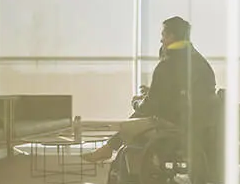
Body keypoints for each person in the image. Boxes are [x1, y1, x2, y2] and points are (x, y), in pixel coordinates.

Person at [83, 17, 216, 163]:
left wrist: (137, 103)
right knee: (139, 117)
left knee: (129, 127)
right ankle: (108, 149)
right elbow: (181, 91)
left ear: (171, 36)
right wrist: (152, 92)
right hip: (199, 120)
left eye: (163, 35)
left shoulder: (167, 65)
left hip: (176, 124)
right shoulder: (199, 61)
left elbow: (153, 105)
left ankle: (116, 157)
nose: (161, 40)